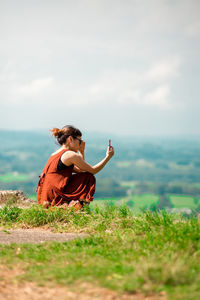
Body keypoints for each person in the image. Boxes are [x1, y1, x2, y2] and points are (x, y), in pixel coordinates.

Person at [37, 125, 114, 210]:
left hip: (44, 198)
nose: (80, 143)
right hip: (55, 197)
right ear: (70, 139)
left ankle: (72, 205)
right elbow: (93, 170)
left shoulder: (56, 154)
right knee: (89, 178)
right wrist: (108, 157)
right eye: (79, 140)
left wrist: (81, 152)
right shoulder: (70, 155)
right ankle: (77, 208)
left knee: (84, 176)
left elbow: (80, 170)